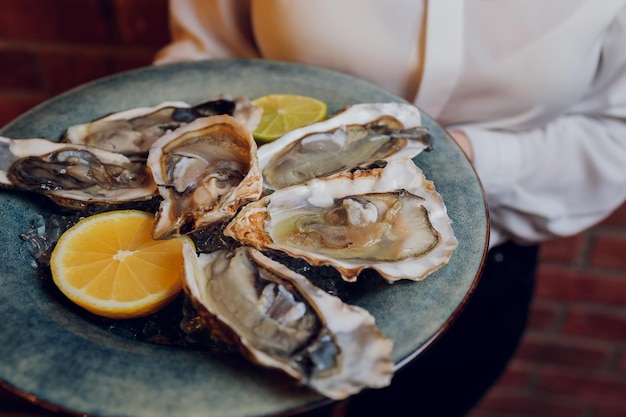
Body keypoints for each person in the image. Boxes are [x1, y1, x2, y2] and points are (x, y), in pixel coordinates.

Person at [154, 1, 626, 415]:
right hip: (228, 234)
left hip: (484, 265)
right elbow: (205, 57)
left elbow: (616, 134)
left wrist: (461, 155)